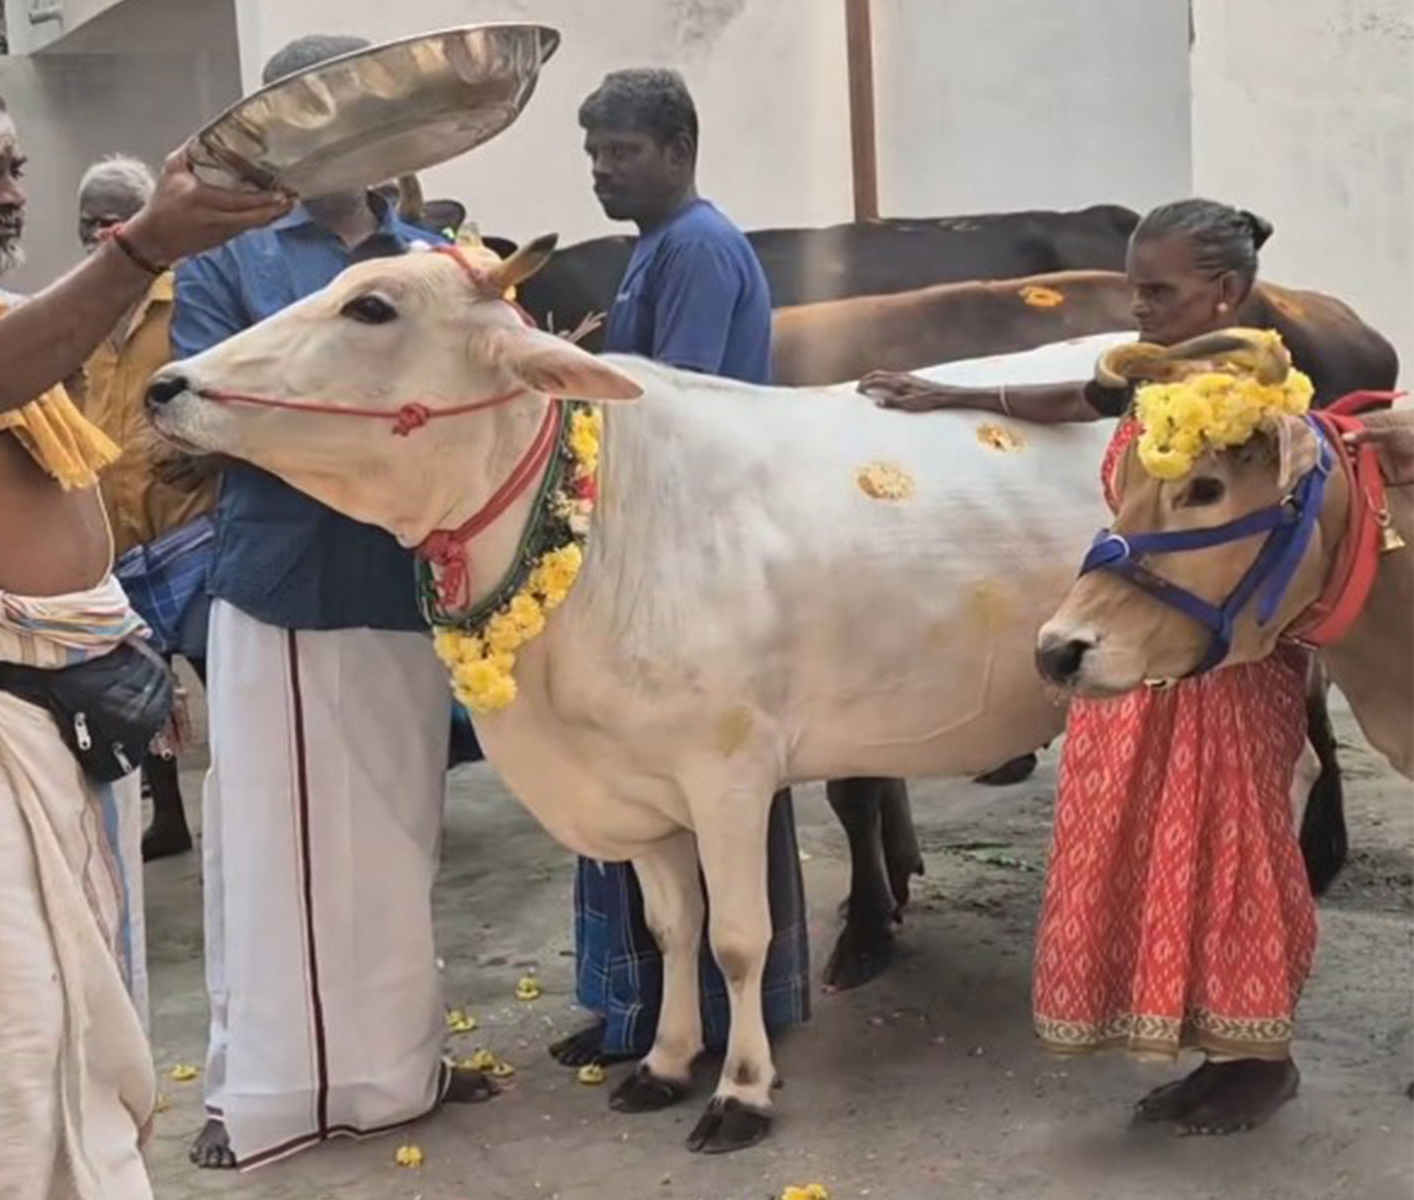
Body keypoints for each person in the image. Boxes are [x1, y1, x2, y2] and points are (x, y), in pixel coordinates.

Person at [0, 60, 289, 1199]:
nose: (12, 194)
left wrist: (189, 210)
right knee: (6, 1031)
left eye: (17, 167)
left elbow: (49, 331)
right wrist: (143, 245)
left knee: (85, 1014)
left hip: (62, 699)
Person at [865, 198, 1316, 1133]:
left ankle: (1260, 1060)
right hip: (1133, 654)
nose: (1138, 307)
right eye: (1133, 288)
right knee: (1158, 849)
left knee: (1228, 849)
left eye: (1160, 291)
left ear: (1226, 291)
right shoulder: (1165, 380)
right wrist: (952, 395)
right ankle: (1211, 1045)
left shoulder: (1253, 407)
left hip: (1213, 671)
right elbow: (1081, 399)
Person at [172, 33, 497, 1173]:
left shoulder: (442, 260)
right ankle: (257, 1093)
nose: (349, 141)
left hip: (407, 584)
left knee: (399, 842)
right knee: (273, 849)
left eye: (373, 118)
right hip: (287, 586)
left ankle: (395, 1069)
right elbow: (205, 415)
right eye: (320, 119)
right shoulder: (232, 264)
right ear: (281, 133)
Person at [549, 67, 812, 1075]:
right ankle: (636, 1009)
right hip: (658, 545)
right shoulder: (655, 247)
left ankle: (719, 1011)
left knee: (700, 787)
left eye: (621, 153)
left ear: (678, 151)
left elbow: (677, 411)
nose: (602, 173)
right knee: (640, 789)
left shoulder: (697, 249)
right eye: (594, 155)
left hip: (691, 553)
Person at [76, 153, 217, 861]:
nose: (103, 234)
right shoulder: (78, 310)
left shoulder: (189, 295)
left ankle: (248, 817)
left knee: (221, 677)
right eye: (90, 222)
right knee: (142, 689)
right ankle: (170, 818)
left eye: (117, 218)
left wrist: (203, 452)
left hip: (194, 529)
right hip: (118, 539)